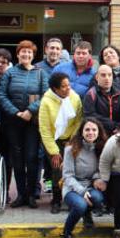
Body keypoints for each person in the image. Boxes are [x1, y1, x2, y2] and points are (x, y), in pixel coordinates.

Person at [0, 40, 48, 209]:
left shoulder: (40, 74)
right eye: (23, 52)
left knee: (32, 157)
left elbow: (46, 95)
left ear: (33, 55)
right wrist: (16, 112)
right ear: (18, 54)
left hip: (32, 122)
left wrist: (30, 110)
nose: (26, 55)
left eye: (29, 52)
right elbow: (2, 95)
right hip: (13, 122)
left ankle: (32, 194)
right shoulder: (9, 73)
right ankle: (21, 195)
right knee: (17, 159)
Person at [59, 118, 107, 238]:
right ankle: (66, 236)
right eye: (87, 129)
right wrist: (81, 191)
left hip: (90, 185)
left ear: (98, 132)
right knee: (80, 204)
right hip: (72, 187)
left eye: (93, 130)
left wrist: (97, 179)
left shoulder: (101, 148)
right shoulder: (70, 149)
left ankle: (87, 214)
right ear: (81, 132)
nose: (90, 132)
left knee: (98, 198)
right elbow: (67, 176)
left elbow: (99, 170)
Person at [38, 71, 83, 214]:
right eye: (63, 87)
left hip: (71, 138)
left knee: (71, 169)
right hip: (53, 140)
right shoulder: (46, 101)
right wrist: (54, 152)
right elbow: (44, 130)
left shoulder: (74, 98)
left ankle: (71, 199)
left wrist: (72, 140)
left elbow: (79, 120)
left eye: (68, 85)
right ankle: (56, 200)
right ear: (55, 89)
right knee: (57, 169)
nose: (68, 88)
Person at [83, 65, 120, 135]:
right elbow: (90, 115)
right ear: (97, 77)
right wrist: (113, 125)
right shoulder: (91, 94)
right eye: (103, 75)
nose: (107, 78)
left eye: (110, 75)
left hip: (118, 132)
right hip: (99, 133)